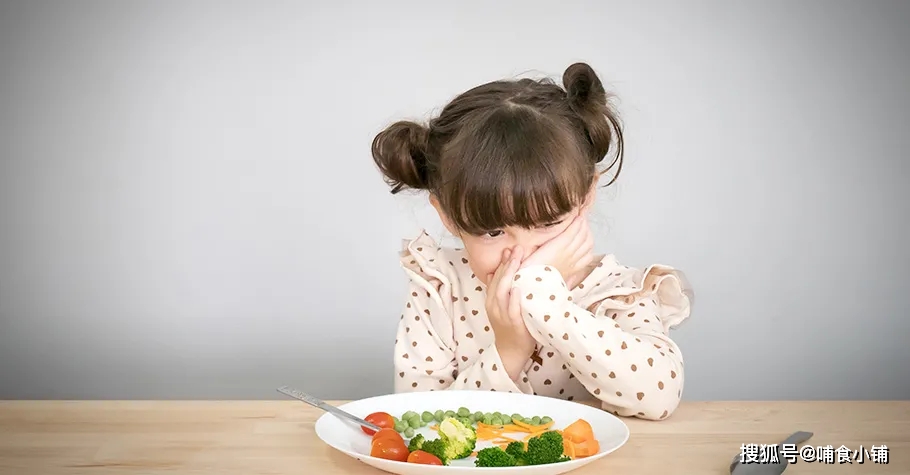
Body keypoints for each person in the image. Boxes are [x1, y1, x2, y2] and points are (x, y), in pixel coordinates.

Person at [370, 62, 694, 421]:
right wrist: (510, 350)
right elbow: (423, 423)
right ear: (447, 215)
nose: (523, 256)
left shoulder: (615, 293)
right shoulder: (440, 290)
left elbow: (657, 396)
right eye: (493, 232)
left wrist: (548, 305)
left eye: (548, 224)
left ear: (585, 197)